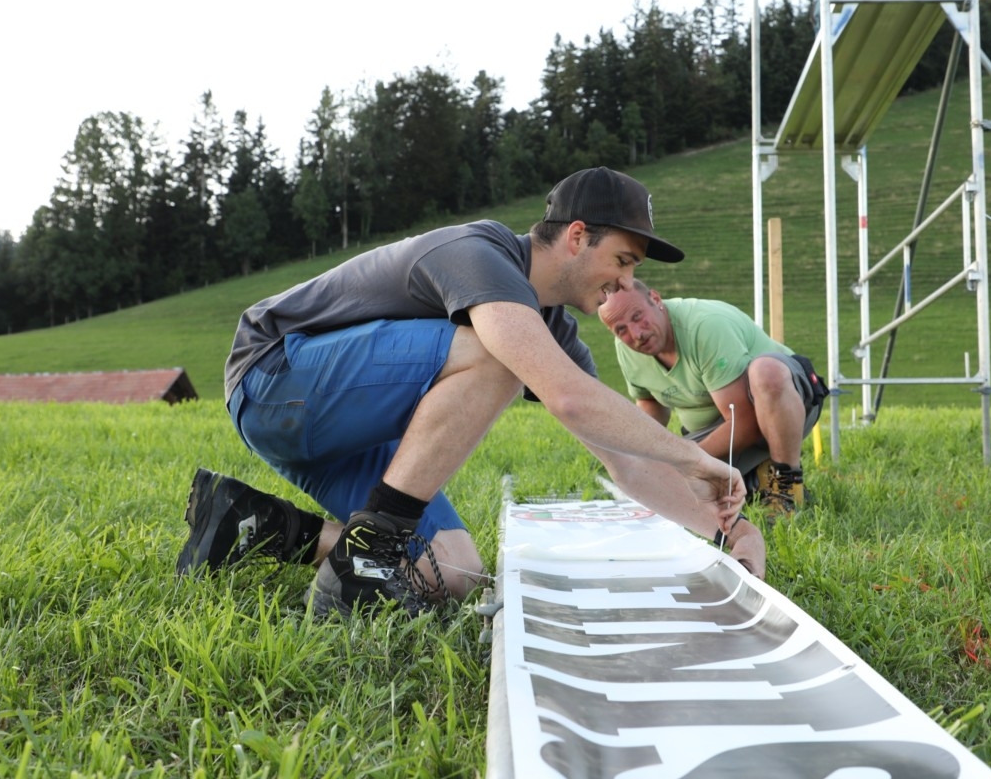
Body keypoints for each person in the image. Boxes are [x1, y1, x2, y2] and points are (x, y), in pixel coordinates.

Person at [176, 167, 765, 616]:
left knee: (455, 572)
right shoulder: (480, 254)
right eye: (623, 260)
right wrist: (694, 457)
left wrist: (727, 528)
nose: (626, 281)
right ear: (577, 236)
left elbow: (625, 459)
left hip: (341, 429)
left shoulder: (552, 330)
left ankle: (255, 523)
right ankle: (365, 558)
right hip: (274, 379)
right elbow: (565, 395)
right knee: (498, 351)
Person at [597, 280, 827, 517]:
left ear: (656, 299)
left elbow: (745, 424)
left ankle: (786, 485)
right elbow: (650, 403)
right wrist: (643, 460)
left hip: (785, 401)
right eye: (621, 330)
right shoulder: (626, 350)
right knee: (658, 486)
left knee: (766, 372)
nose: (637, 334)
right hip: (718, 429)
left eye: (638, 317)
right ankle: (755, 479)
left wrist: (683, 460)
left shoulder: (705, 326)